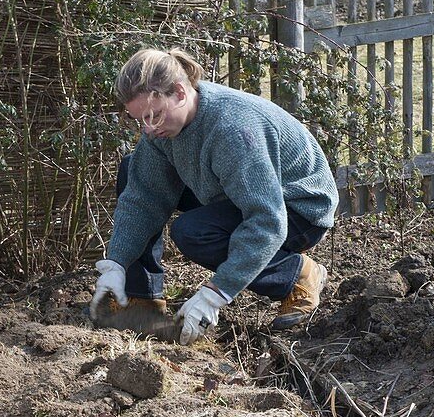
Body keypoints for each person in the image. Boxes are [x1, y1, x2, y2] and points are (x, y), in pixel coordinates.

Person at [89, 47, 338, 345]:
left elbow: (267, 220)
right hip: (231, 191)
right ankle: (141, 299)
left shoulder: (233, 130)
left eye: (154, 117)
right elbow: (144, 197)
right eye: (140, 119)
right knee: (135, 168)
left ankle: (296, 274)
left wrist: (215, 294)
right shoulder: (163, 130)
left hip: (297, 207)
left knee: (194, 233)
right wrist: (117, 262)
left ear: (180, 93)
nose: (148, 129)